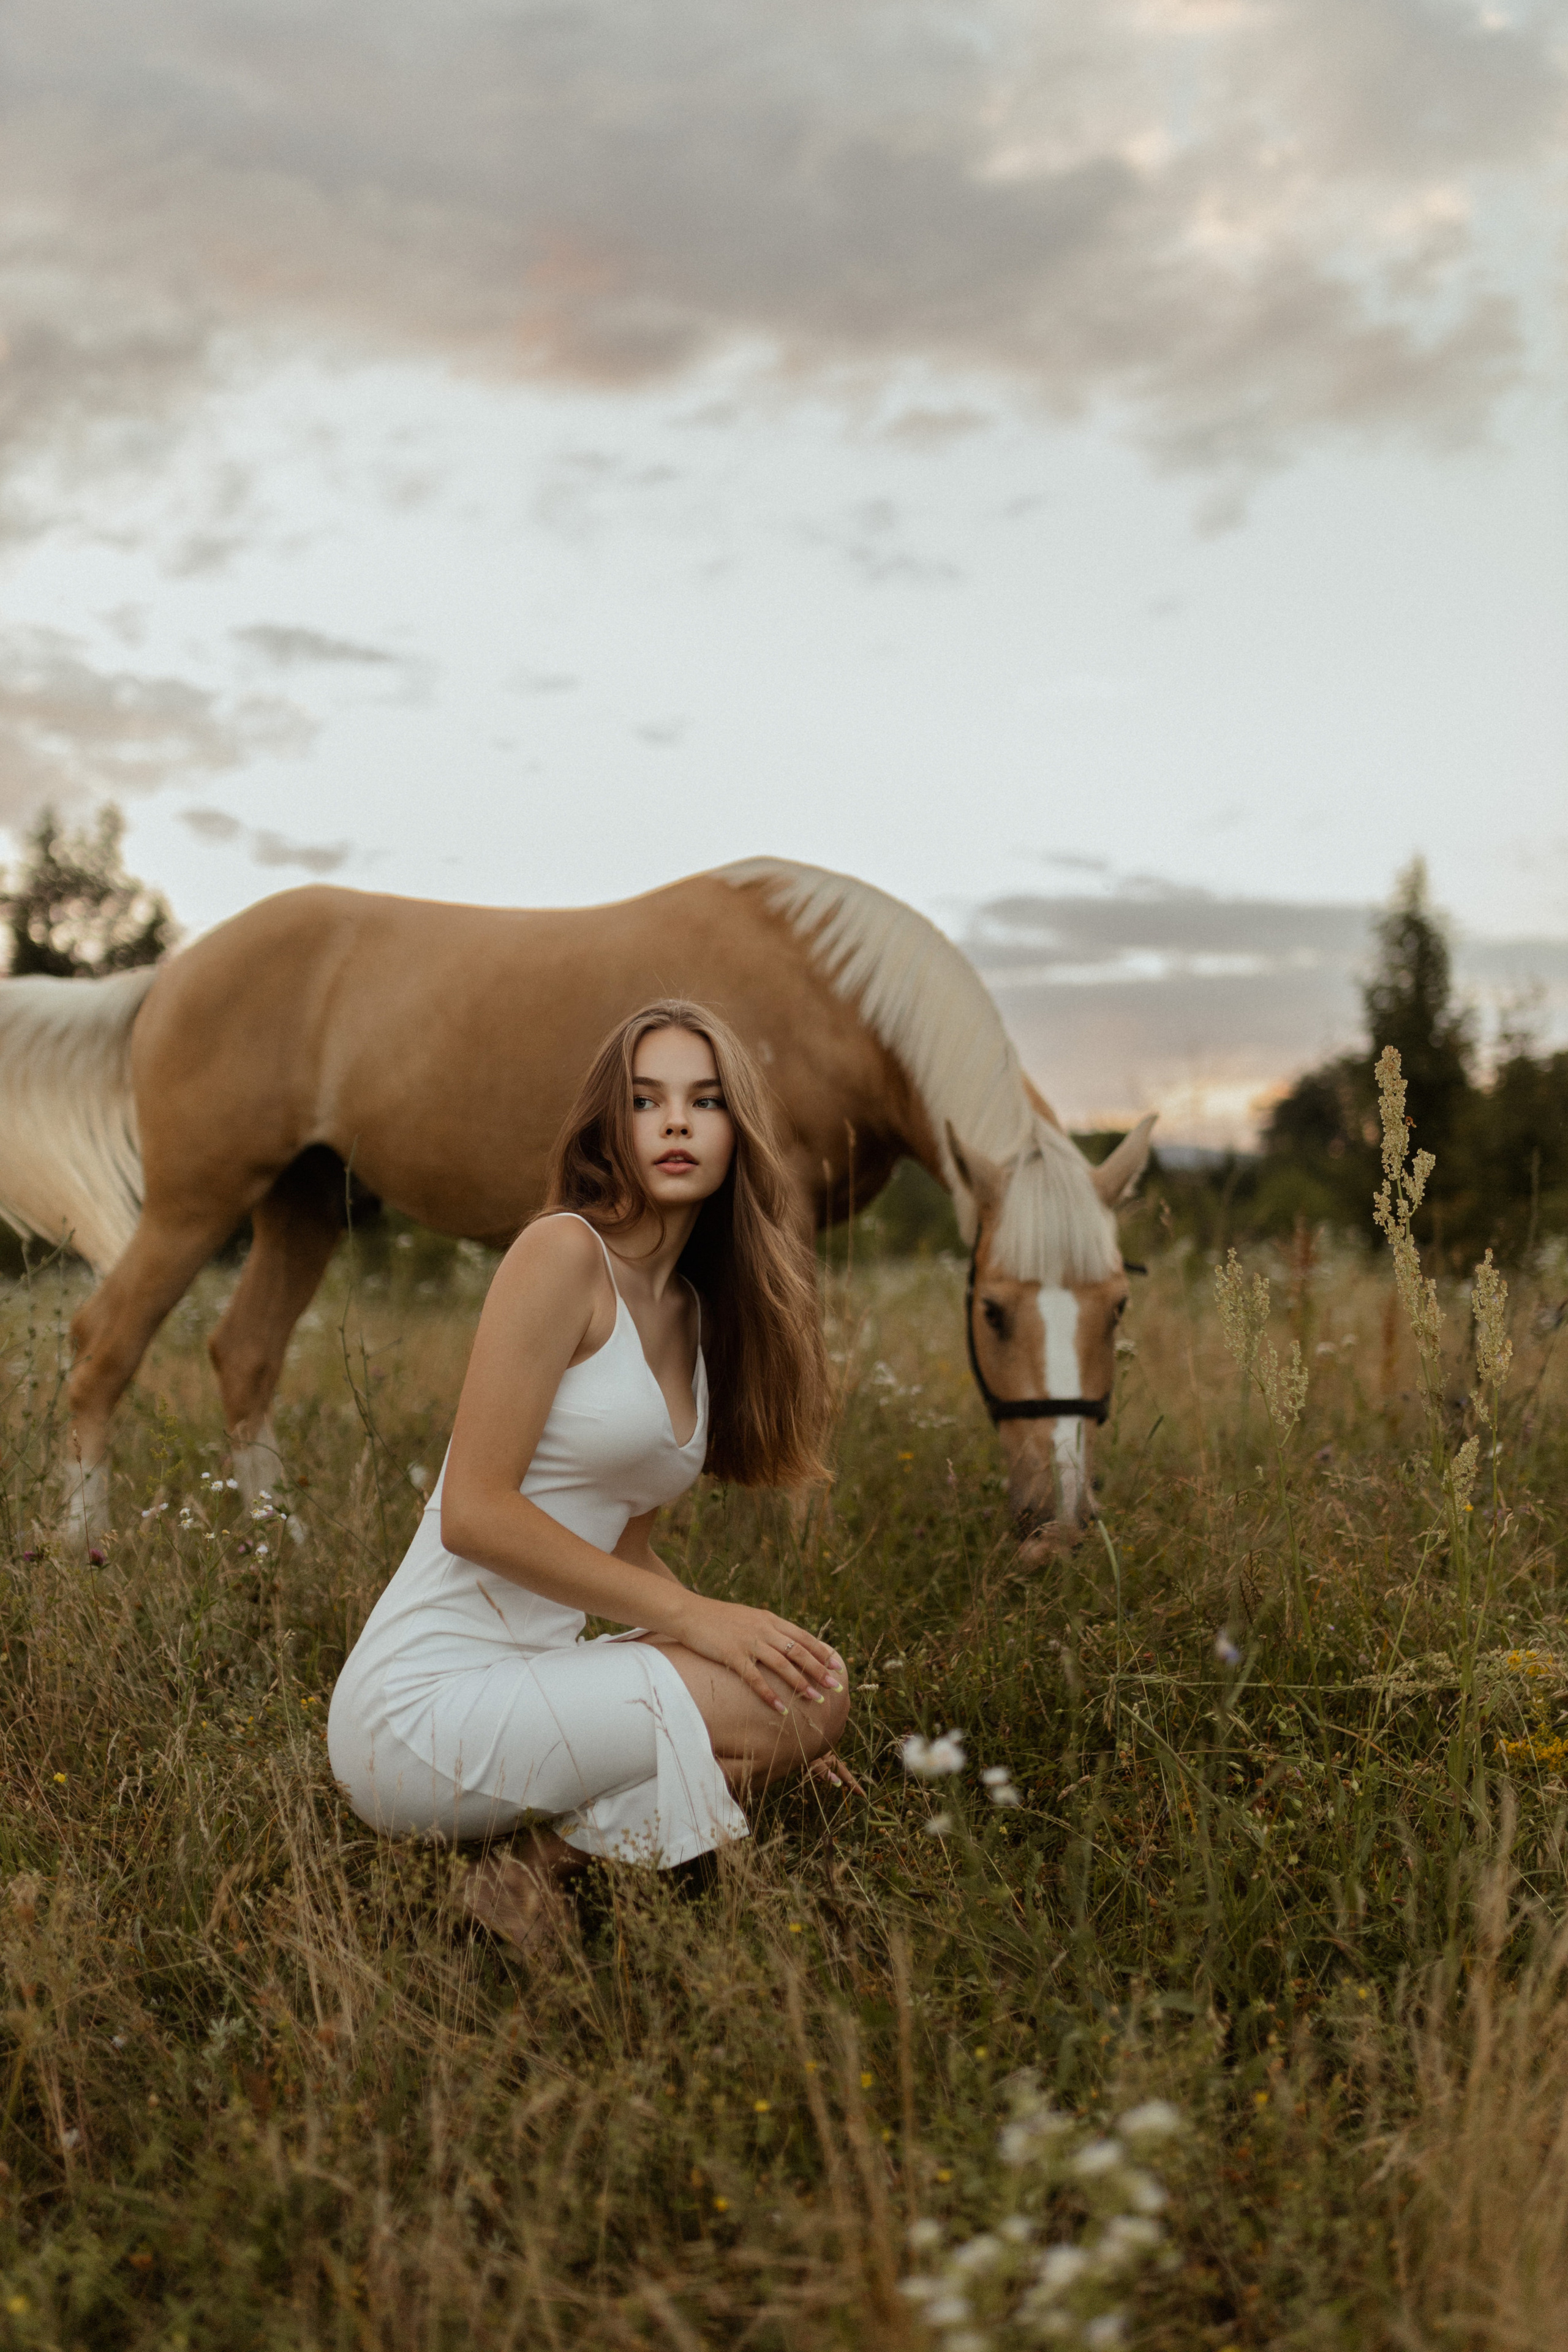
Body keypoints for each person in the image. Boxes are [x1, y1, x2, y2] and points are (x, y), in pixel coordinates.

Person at [327, 998, 852, 1952]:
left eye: (706, 1099)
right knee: (814, 1697)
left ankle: (529, 1876)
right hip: (420, 1704)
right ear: (613, 1127)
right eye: (648, 1101)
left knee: (798, 1691)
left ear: (739, 1131)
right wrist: (706, 1635)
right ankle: (531, 1880)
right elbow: (474, 1515)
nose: (679, 1122)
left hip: (533, 1682)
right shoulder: (562, 1254)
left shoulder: (693, 1311)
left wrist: (748, 1701)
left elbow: (627, 1539)